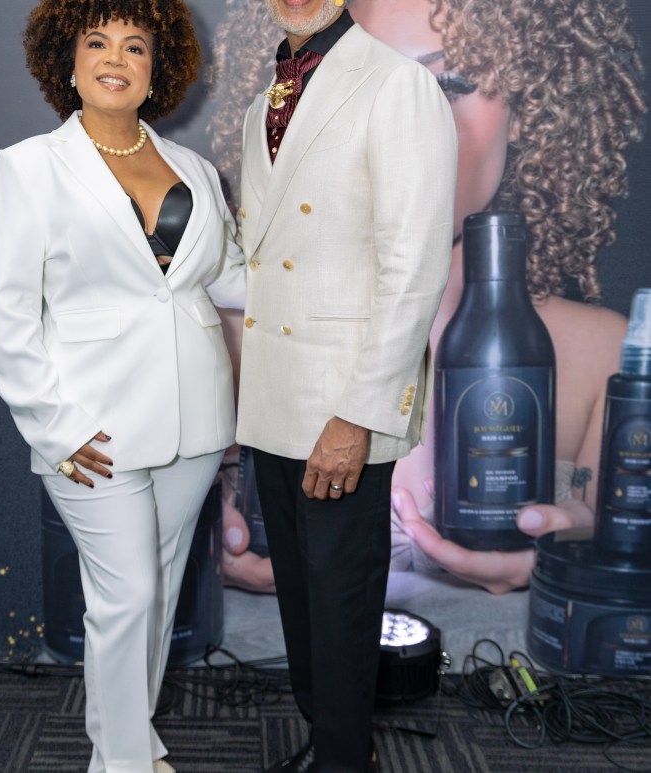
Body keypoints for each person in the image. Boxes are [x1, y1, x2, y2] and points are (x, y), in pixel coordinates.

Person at [218, 0, 646, 597]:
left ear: (523, 106)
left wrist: (582, 565)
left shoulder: (608, 365)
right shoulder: (227, 339)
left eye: (449, 85)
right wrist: (186, 529)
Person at [0, 2, 245, 770]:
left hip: (195, 417)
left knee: (152, 593)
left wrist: (324, 269)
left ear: (156, 68)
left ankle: (127, 743)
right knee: (126, 594)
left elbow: (231, 279)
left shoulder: (196, 171)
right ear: (66, 61)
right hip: (89, 426)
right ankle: (126, 761)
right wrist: (55, 427)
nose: (114, 58)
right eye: (96, 41)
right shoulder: (30, 167)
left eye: (135, 46)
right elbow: (10, 317)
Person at [236, 2, 457, 772]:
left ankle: (344, 759)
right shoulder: (263, 100)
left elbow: (414, 270)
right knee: (304, 609)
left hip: (340, 405)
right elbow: (261, 257)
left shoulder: (397, 85)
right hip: (273, 398)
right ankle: (334, 743)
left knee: (339, 612)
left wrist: (358, 415)